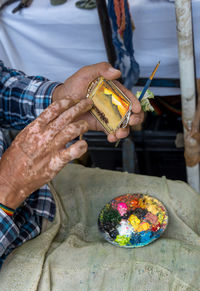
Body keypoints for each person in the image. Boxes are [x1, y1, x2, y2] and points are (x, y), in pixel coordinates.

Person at [0, 60, 143, 269]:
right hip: (14, 264)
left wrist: (60, 99)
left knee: (186, 203)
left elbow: (4, 91)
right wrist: (9, 186)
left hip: (40, 195)